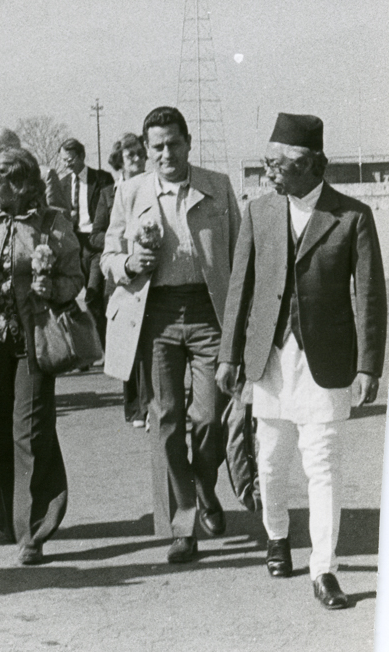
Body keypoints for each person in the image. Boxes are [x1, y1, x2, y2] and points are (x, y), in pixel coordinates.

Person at [217, 113, 386, 609]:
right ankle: (276, 536)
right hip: (269, 360)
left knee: (323, 467)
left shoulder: (352, 216)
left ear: (315, 165)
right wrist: (229, 355)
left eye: (281, 163)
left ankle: (324, 571)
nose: (271, 171)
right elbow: (238, 289)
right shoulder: (259, 213)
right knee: (270, 464)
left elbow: (371, 297)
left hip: (327, 364)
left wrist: (369, 365)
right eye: (268, 161)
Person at [101, 106, 241, 562]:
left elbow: (240, 257)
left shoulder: (216, 187)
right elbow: (107, 255)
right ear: (146, 149)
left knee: (209, 418)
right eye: (156, 146)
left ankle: (205, 483)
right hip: (155, 315)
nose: (166, 153)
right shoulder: (129, 191)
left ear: (188, 143)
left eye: (173, 143)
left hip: (208, 314)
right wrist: (127, 264)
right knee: (165, 421)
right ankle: (184, 526)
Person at [0, 148, 83, 565]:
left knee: (31, 432)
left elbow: (74, 277)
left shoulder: (52, 224)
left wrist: (54, 290)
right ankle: (11, 520)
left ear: (22, 185)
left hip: (35, 340)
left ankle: (33, 532)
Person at [93, 133, 150, 427]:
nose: (138, 160)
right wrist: (127, 237)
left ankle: (151, 403)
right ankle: (135, 408)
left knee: (148, 342)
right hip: (120, 275)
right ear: (121, 162)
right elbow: (97, 234)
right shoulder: (108, 194)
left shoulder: (154, 188)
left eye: (141, 154)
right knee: (129, 345)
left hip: (149, 274)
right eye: (131, 157)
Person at [59, 138, 115, 364]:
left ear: (82, 157)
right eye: (63, 160)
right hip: (74, 245)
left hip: (96, 244)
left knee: (92, 298)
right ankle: (82, 351)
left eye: (70, 160)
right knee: (71, 299)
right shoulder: (62, 184)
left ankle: (103, 348)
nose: (67, 164)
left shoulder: (102, 179)